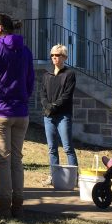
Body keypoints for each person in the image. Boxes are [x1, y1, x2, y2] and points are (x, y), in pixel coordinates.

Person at [0, 13, 35, 218]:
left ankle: (4, 206)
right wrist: (22, 99)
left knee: (3, 160)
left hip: (0, 111)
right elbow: (30, 82)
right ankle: (18, 205)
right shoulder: (26, 51)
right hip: (21, 112)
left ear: (0, 28)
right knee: (17, 160)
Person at [40, 43, 77, 185]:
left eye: (58, 55)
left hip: (63, 115)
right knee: (52, 148)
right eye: (53, 55)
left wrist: (54, 106)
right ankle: (54, 177)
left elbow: (67, 95)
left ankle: (74, 177)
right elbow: (42, 93)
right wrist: (47, 106)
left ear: (65, 57)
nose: (54, 58)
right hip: (48, 116)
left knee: (67, 147)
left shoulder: (69, 74)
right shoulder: (46, 75)